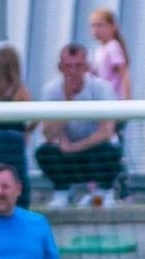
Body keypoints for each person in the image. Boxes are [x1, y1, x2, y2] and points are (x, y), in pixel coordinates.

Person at [35, 44, 122, 209]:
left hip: (94, 149)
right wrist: (67, 102)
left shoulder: (102, 88)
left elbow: (107, 131)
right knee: (44, 153)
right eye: (68, 66)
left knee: (111, 150)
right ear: (60, 68)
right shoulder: (51, 90)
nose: (73, 72)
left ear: (87, 67)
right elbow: (48, 134)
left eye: (78, 66)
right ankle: (63, 191)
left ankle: (103, 192)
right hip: (67, 150)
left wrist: (74, 147)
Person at [88, 8, 130, 200]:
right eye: (93, 26)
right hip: (102, 107)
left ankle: (119, 188)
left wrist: (126, 102)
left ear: (112, 27)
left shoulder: (113, 47)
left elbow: (123, 73)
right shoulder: (99, 50)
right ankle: (102, 189)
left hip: (114, 107)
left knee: (114, 148)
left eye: (100, 25)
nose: (95, 30)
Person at [0, 42, 32, 209]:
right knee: (18, 174)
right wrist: (28, 130)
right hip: (15, 137)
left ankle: (0, 203)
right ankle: (21, 203)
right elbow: (35, 115)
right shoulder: (20, 90)